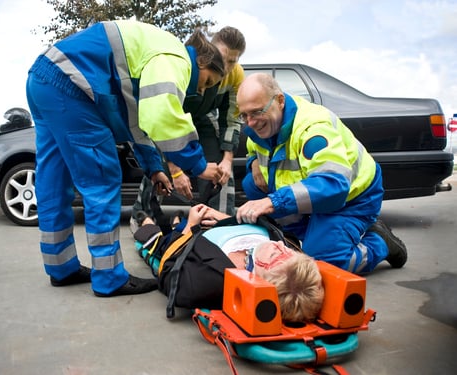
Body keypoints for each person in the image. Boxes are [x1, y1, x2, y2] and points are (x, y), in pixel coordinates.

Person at [25, 20, 225, 297]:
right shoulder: (177, 57)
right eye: (207, 82)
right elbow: (162, 116)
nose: (201, 91)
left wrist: (155, 168)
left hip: (43, 79)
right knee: (101, 181)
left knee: (54, 182)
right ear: (201, 60)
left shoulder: (152, 52)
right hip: (74, 86)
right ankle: (109, 278)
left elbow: (137, 122)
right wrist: (199, 166)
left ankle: (61, 267)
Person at [234, 73, 408, 274]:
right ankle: (311, 238)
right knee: (252, 185)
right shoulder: (264, 123)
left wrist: (272, 202)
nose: (250, 123)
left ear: (280, 101)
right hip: (315, 193)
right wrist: (253, 161)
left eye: (256, 113)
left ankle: (379, 242)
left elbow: (333, 184)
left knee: (322, 265)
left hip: (351, 197)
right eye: (243, 115)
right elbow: (252, 144)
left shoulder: (313, 128)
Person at [130, 26, 247, 231]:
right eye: (222, 58)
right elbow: (164, 122)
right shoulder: (186, 65)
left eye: (232, 61)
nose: (226, 67)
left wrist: (227, 159)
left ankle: (219, 222)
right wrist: (176, 171)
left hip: (203, 119)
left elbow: (231, 120)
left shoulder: (236, 76)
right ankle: (143, 215)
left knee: (219, 167)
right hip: (173, 115)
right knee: (159, 162)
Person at [134, 204, 324, 322]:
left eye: (276, 256)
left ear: (261, 282)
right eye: (290, 251)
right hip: (220, 223)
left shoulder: (208, 281)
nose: (280, 246)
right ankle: (178, 221)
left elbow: (168, 269)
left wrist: (190, 227)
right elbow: (272, 229)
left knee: (155, 236)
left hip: (187, 239)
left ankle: (150, 221)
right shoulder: (291, 257)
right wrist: (223, 217)